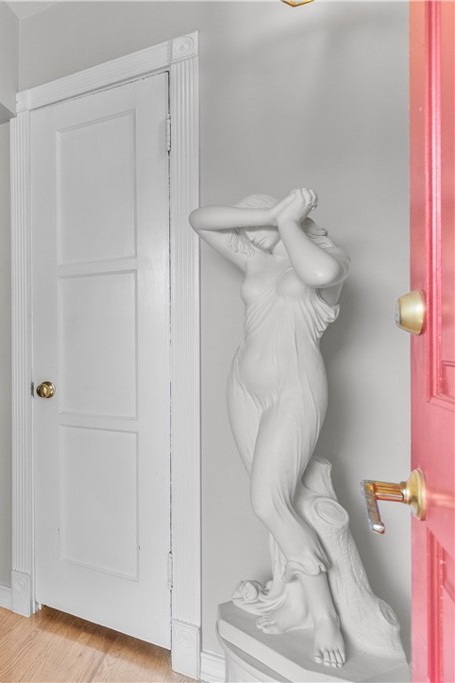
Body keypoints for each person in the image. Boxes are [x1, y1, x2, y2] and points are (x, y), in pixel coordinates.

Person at [190, 189, 351, 668]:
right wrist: (272, 214)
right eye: (249, 219)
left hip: (294, 390)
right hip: (243, 385)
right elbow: (199, 218)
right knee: (278, 502)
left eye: (256, 218)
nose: (249, 229)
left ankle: (325, 614)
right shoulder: (255, 261)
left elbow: (320, 274)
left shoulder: (326, 261)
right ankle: (293, 597)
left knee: (269, 500)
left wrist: (287, 225)